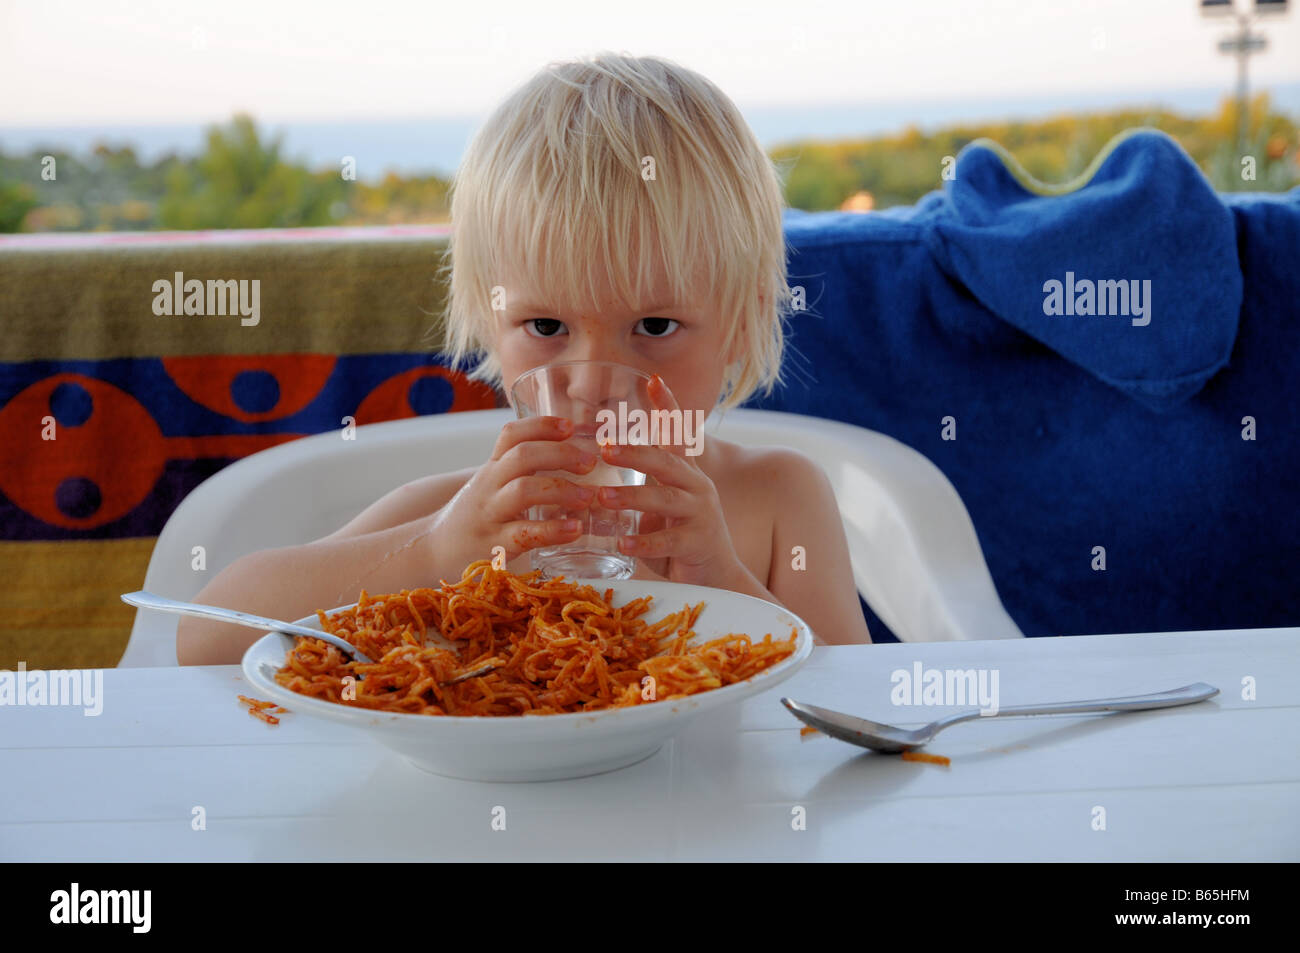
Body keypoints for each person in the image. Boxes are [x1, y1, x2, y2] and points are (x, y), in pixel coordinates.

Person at [177, 52, 871, 664]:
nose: (591, 381)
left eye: (654, 324)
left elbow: (852, 699)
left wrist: (719, 574)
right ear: (490, 324)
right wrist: (435, 550)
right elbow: (207, 636)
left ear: (745, 323)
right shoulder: (454, 515)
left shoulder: (781, 501)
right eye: (546, 324)